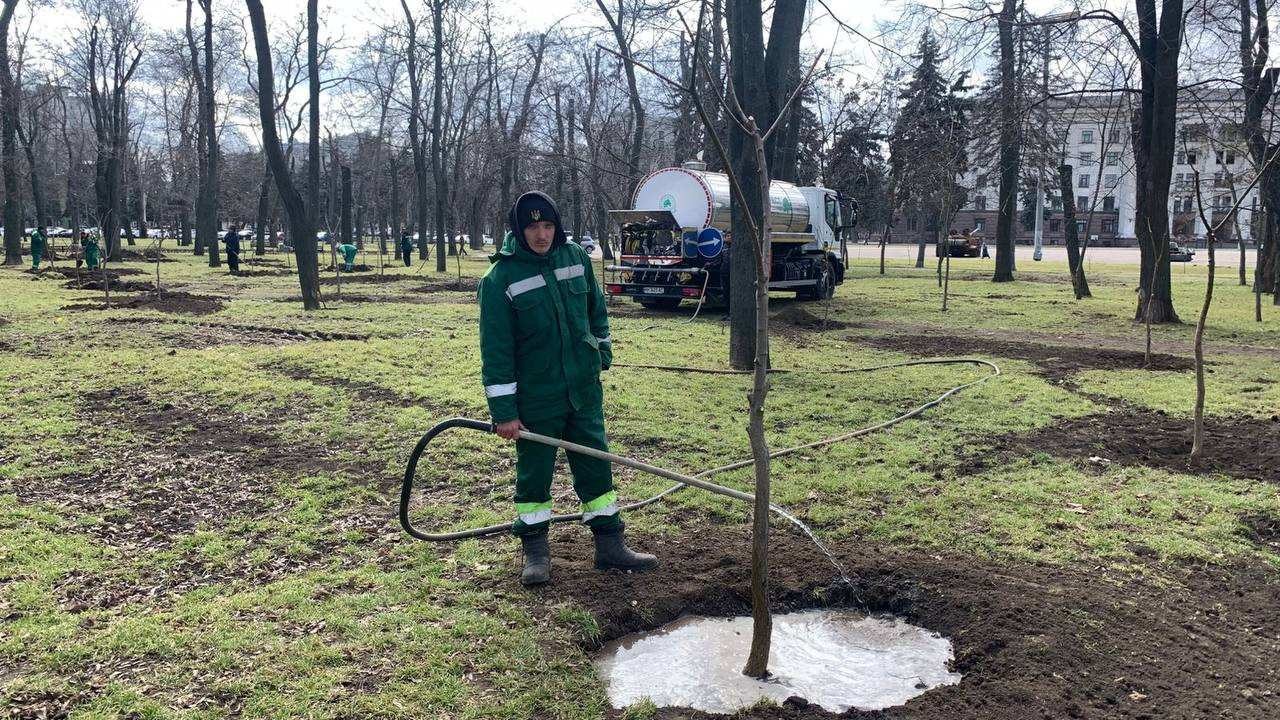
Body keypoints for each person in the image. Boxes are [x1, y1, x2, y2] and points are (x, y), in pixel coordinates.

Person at [478, 191, 657, 586]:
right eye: (532, 227)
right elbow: (496, 351)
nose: (541, 235)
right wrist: (504, 412)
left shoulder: (575, 257)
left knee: (596, 463)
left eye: (547, 225)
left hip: (583, 388)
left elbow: (596, 309)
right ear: (518, 229)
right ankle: (536, 552)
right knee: (535, 474)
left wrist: (602, 348)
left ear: (557, 226)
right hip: (537, 395)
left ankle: (610, 545)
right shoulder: (499, 280)